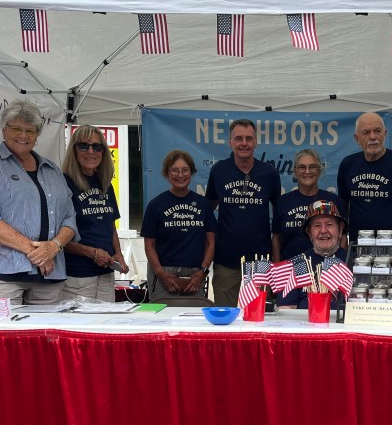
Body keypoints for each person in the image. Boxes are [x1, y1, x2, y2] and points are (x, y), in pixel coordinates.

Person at [0, 99, 77, 304]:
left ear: (37, 135)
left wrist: (55, 246)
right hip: (0, 273)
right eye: (16, 128)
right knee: (4, 327)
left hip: (49, 274)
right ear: (4, 130)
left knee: (48, 327)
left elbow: (70, 218)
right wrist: (36, 252)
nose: (23, 135)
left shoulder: (52, 169)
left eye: (30, 131)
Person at [206, 119, 281, 306]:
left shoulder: (269, 173)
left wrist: (276, 257)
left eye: (249, 138)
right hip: (226, 259)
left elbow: (279, 213)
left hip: (261, 259)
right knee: (226, 315)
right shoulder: (219, 170)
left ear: (256, 142)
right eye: (238, 139)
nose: (244, 143)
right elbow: (209, 208)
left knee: (259, 316)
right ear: (230, 142)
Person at [60, 125, 128, 302]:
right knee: (80, 320)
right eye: (84, 146)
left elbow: (111, 225)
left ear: (103, 152)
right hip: (78, 274)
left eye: (97, 147)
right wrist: (92, 253)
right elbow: (56, 236)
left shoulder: (105, 183)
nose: (91, 151)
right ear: (74, 150)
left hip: (106, 272)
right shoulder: (64, 183)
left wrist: (118, 254)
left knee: (106, 318)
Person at [141, 150, 216, 307]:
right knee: (161, 319)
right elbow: (149, 246)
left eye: (185, 170)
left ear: (192, 172)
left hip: (195, 276)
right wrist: (161, 274)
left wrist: (202, 272)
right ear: (167, 173)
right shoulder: (156, 205)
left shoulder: (203, 204)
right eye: (174, 170)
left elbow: (210, 243)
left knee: (194, 320)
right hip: (163, 274)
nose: (180, 175)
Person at [337, 111, 392, 239]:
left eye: (377, 131)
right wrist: (343, 236)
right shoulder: (348, 164)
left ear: (385, 133)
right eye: (366, 132)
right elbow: (342, 206)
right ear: (357, 138)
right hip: (359, 245)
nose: (373, 137)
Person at [277, 200, 349, 309]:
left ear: (340, 229)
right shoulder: (292, 267)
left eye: (329, 224)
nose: (323, 231)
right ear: (309, 232)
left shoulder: (355, 263)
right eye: (317, 225)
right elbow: (286, 312)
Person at [271, 148, 340, 260]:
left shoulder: (332, 201)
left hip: (326, 267)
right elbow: (276, 238)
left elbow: (342, 238)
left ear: (319, 170)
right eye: (302, 167)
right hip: (289, 267)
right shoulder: (283, 202)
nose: (307, 171)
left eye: (312, 167)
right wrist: (277, 267)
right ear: (295, 172)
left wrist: (341, 265)